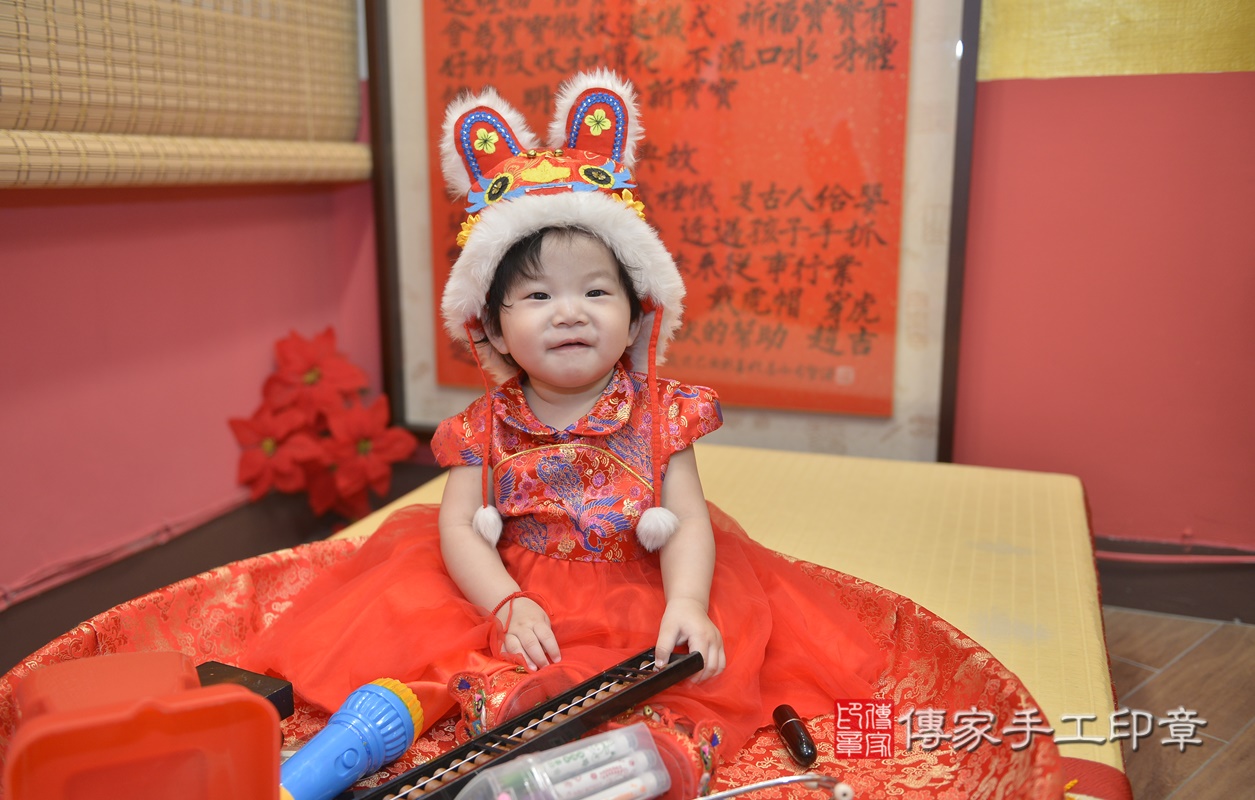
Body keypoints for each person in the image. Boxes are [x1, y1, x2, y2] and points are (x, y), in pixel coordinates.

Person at [240, 70, 884, 796]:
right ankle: (505, 719)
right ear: (492, 330)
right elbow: (459, 527)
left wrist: (686, 601)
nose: (569, 312)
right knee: (456, 646)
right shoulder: (482, 426)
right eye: (538, 295)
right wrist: (503, 601)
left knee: (688, 664)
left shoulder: (662, 414)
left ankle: (656, 754)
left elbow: (686, 522)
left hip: (637, 579)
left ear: (636, 318)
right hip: (515, 579)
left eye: (596, 291)